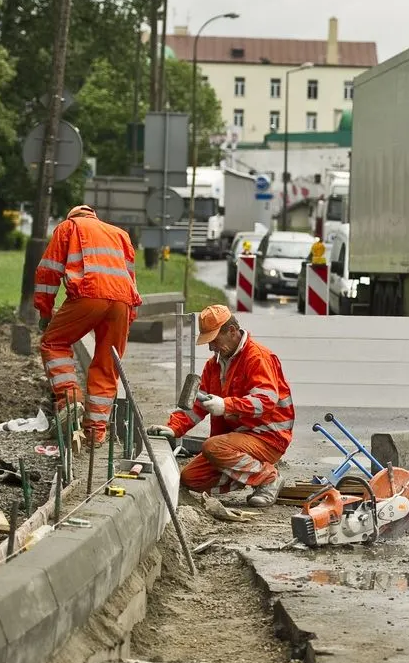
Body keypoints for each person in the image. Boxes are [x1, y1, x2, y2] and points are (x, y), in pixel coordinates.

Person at [148, 304, 293, 507]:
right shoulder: (213, 365)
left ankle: (268, 478)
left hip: (268, 437)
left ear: (232, 331)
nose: (211, 347)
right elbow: (197, 406)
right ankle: (252, 473)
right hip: (238, 440)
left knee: (212, 447)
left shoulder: (257, 357)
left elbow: (266, 400)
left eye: (214, 340)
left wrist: (227, 405)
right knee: (191, 478)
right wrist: (174, 428)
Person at [35, 204, 142, 447]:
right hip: (122, 303)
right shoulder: (120, 234)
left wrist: (45, 311)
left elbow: (47, 272)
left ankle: (69, 400)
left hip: (88, 295)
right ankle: (95, 432)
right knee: (107, 363)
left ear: (71, 216)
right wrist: (129, 316)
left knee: (53, 342)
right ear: (94, 216)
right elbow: (131, 277)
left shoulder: (68, 227)